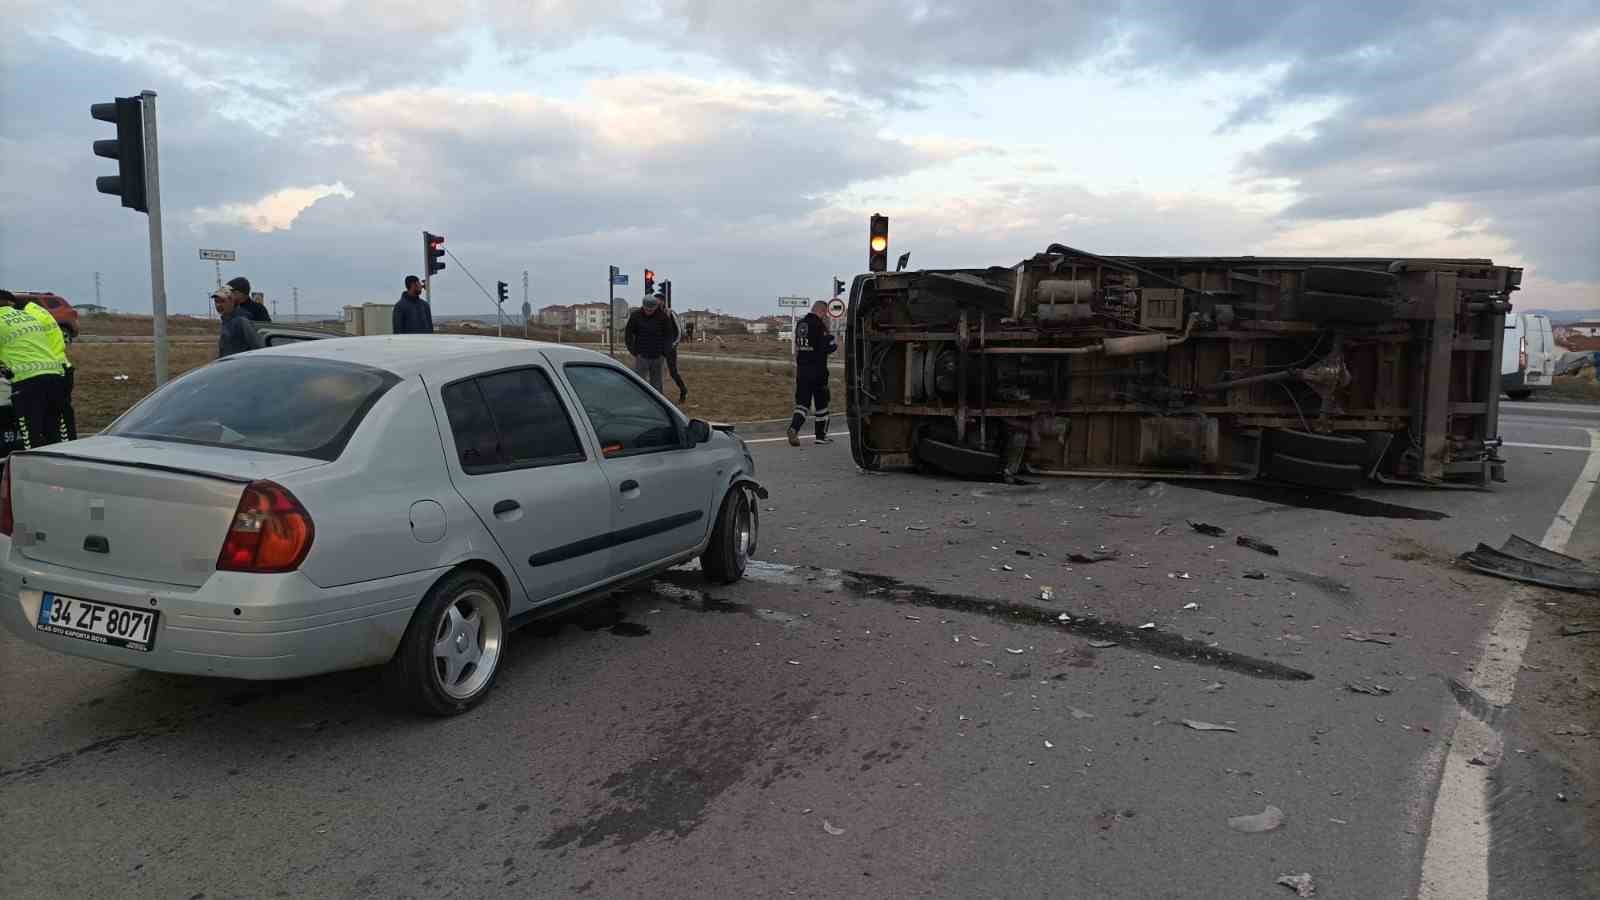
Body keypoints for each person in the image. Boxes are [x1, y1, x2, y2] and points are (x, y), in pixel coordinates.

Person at [0, 289, 70, 449]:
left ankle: (33, 464)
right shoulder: (28, 317)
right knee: (55, 433)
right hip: (55, 377)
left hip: (27, 381)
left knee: (31, 436)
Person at [787, 300, 837, 446]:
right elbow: (829, 347)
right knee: (822, 404)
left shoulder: (801, 324)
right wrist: (830, 335)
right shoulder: (819, 325)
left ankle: (794, 428)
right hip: (818, 371)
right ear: (823, 311)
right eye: (825, 313)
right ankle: (821, 437)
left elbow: (799, 346)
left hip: (802, 370)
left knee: (802, 404)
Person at [623, 294, 678, 392]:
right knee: (639, 382)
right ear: (643, 306)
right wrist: (634, 351)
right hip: (641, 355)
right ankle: (639, 398)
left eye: (651, 310)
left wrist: (664, 352)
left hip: (658, 356)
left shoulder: (663, 317)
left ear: (656, 307)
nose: (649, 312)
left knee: (656, 383)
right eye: (647, 309)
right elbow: (628, 334)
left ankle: (657, 399)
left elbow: (669, 336)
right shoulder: (635, 316)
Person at [214, 286, 265, 357]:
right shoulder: (226, 321)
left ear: (232, 301)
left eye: (222, 301)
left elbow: (258, 347)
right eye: (216, 301)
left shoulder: (241, 321)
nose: (218, 305)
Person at [662, 295, 689, 403]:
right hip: (658, 348)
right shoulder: (655, 314)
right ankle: (658, 395)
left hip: (670, 347)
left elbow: (679, 330)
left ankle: (683, 390)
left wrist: (674, 344)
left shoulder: (671, 313)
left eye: (659, 302)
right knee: (656, 372)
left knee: (673, 372)